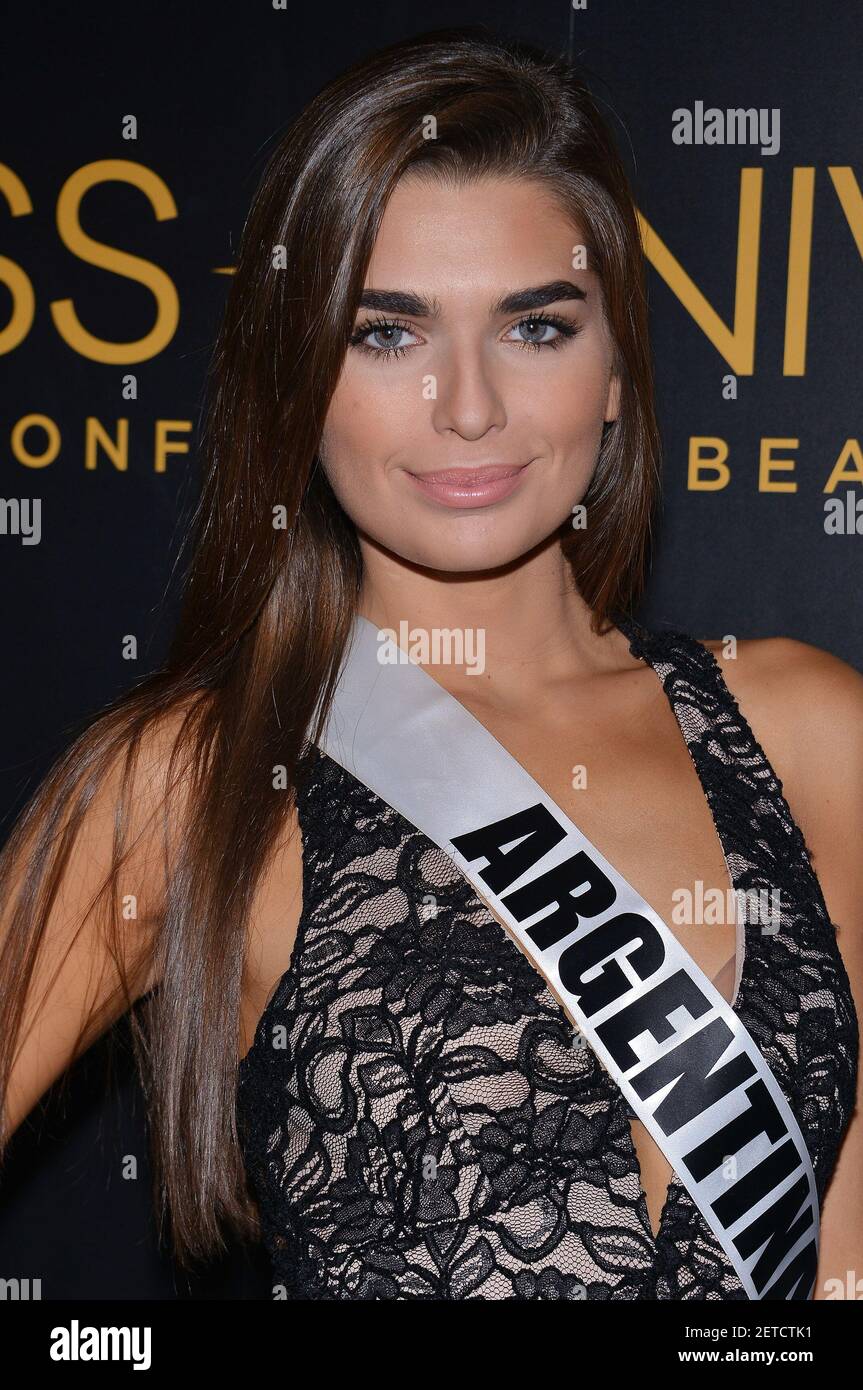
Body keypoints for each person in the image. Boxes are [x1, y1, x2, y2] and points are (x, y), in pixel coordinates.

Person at [0, 27, 860, 1302]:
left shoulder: (810, 726)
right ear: (297, 379)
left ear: (615, 367)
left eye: (534, 326)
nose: (467, 406)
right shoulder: (190, 777)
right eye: (385, 335)